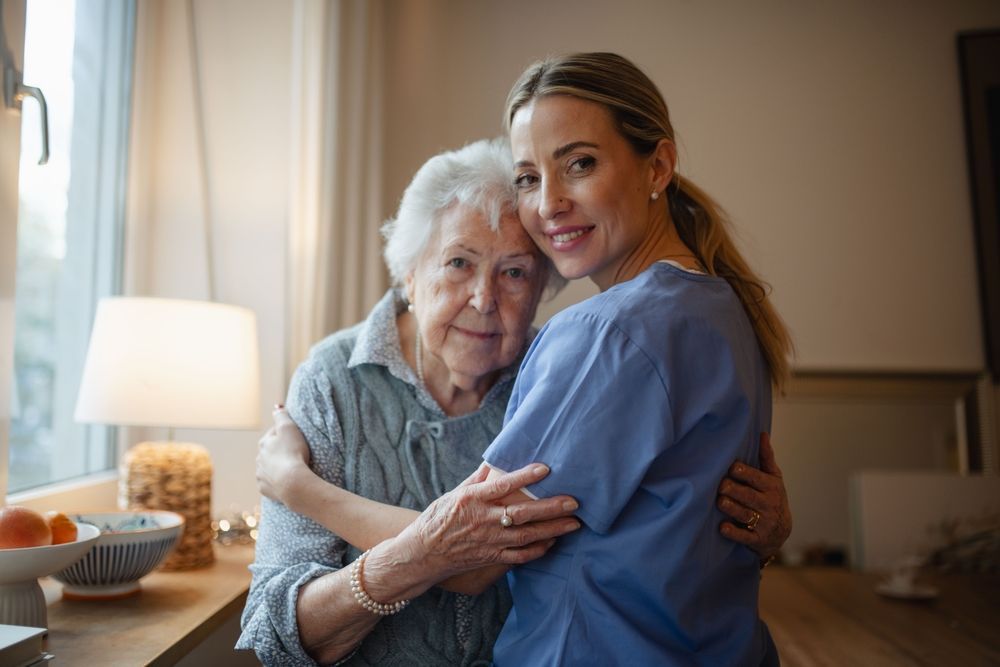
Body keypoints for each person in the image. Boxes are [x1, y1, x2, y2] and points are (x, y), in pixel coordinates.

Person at [476, 51, 794, 664]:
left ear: (659, 166)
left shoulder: (608, 331)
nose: (548, 204)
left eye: (579, 164)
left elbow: (464, 556)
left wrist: (298, 487)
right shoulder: (722, 305)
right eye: (527, 177)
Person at [238, 138, 583, 666]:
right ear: (409, 273)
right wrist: (412, 561)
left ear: (542, 289)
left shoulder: (556, 383)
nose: (483, 299)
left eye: (514, 272)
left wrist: (298, 487)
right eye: (459, 263)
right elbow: (276, 636)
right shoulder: (333, 383)